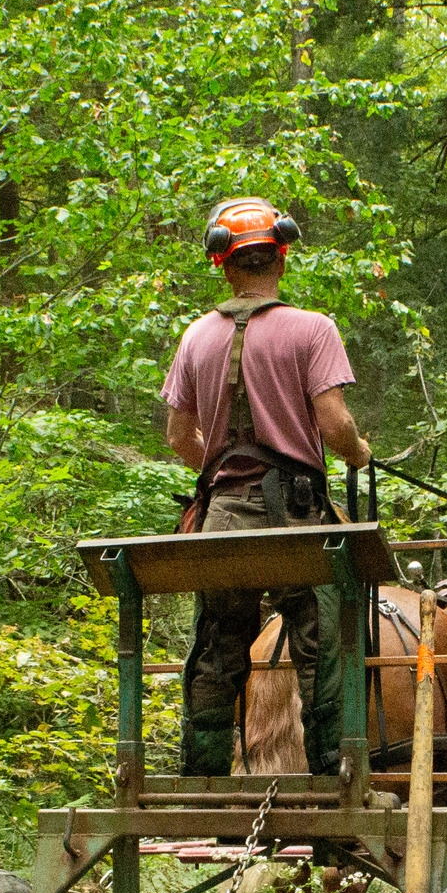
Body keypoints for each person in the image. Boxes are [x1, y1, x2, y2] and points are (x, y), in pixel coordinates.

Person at [161, 197, 372, 778]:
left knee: (217, 648)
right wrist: (357, 452)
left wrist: (224, 471)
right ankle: (335, 779)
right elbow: (334, 425)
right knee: (324, 641)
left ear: (223, 265)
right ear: (281, 257)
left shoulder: (195, 338)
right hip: (297, 518)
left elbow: (180, 435)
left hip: (222, 519)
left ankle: (201, 783)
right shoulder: (312, 330)